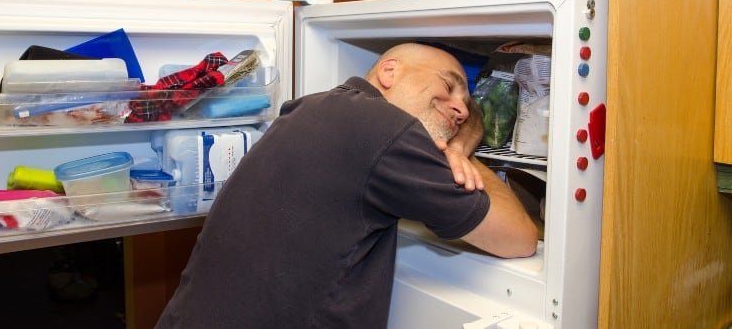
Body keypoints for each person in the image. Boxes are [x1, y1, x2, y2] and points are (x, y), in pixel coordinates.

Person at [155, 43, 537, 329]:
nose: (461, 108)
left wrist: (458, 143)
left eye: (466, 101)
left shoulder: (314, 107)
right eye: (449, 86)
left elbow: (470, 122)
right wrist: (462, 156)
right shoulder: (386, 129)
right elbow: (518, 238)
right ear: (389, 72)